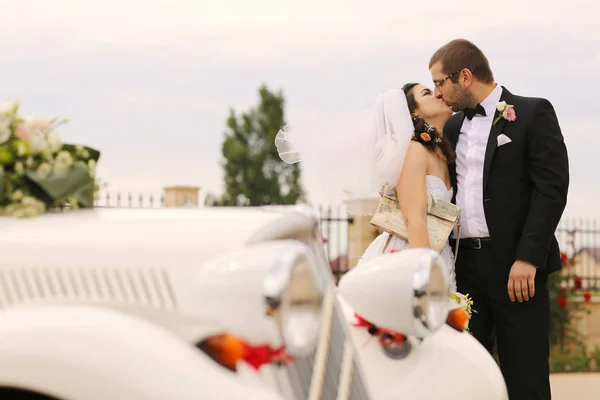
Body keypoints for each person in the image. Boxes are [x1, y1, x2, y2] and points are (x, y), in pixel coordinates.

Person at [429, 38, 569, 399]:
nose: (437, 93)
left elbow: (551, 189)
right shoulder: (453, 127)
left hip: (516, 270)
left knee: (525, 378)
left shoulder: (533, 113)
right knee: (469, 379)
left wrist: (527, 258)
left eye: (440, 82)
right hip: (466, 270)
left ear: (464, 76)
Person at [275, 84, 458, 291]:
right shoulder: (415, 150)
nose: (437, 94)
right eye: (427, 93)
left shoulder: (440, 154)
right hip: (411, 256)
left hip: (439, 254)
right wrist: (428, 279)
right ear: (413, 112)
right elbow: (414, 219)